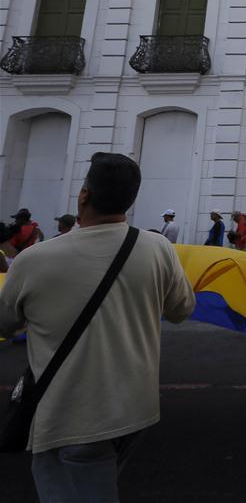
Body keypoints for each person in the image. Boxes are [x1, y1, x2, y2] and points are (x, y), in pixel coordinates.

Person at [0, 152, 195, 502]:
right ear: (131, 200)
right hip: (134, 409)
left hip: (68, 415)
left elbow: (5, 324)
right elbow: (182, 309)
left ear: (84, 195)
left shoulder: (32, 260)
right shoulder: (158, 248)